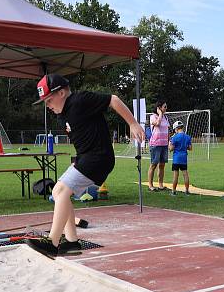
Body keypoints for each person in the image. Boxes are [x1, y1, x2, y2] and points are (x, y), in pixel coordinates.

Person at [30, 73, 144, 256]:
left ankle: (52, 242)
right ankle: (72, 242)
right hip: (85, 157)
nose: (48, 106)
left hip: (99, 157)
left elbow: (113, 100)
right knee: (57, 192)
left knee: (60, 192)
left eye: (49, 100)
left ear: (61, 93)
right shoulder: (62, 114)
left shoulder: (80, 100)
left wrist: (133, 123)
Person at [147, 100, 169, 191]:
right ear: (159, 108)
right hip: (155, 144)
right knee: (153, 164)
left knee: (162, 165)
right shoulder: (153, 116)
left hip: (164, 144)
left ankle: (160, 184)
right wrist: (160, 114)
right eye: (165, 106)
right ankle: (150, 185)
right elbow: (157, 123)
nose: (166, 108)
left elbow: (166, 129)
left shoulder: (166, 117)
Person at [169, 120, 192, 195]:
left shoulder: (174, 137)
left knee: (176, 175)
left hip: (176, 158)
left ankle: (173, 191)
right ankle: (187, 191)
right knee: (185, 174)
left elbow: (171, 149)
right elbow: (190, 148)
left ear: (176, 128)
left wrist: (170, 142)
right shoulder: (188, 137)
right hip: (184, 158)